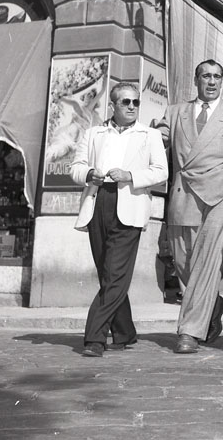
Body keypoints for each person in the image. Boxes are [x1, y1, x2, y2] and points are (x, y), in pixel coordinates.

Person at [156, 60, 223, 354]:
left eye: (217, 77)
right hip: (183, 193)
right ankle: (213, 303)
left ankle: (189, 332)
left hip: (219, 196)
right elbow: (153, 143)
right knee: (183, 261)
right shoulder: (175, 112)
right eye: (206, 76)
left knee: (207, 261)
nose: (212, 82)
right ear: (196, 79)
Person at [71, 82, 168, 357]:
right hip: (98, 202)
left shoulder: (149, 135)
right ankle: (125, 332)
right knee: (108, 274)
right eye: (126, 102)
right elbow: (75, 168)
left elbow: (161, 171)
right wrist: (88, 174)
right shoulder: (94, 133)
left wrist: (131, 176)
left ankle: (95, 338)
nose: (132, 107)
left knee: (114, 274)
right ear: (112, 105)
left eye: (136, 102)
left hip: (130, 205)